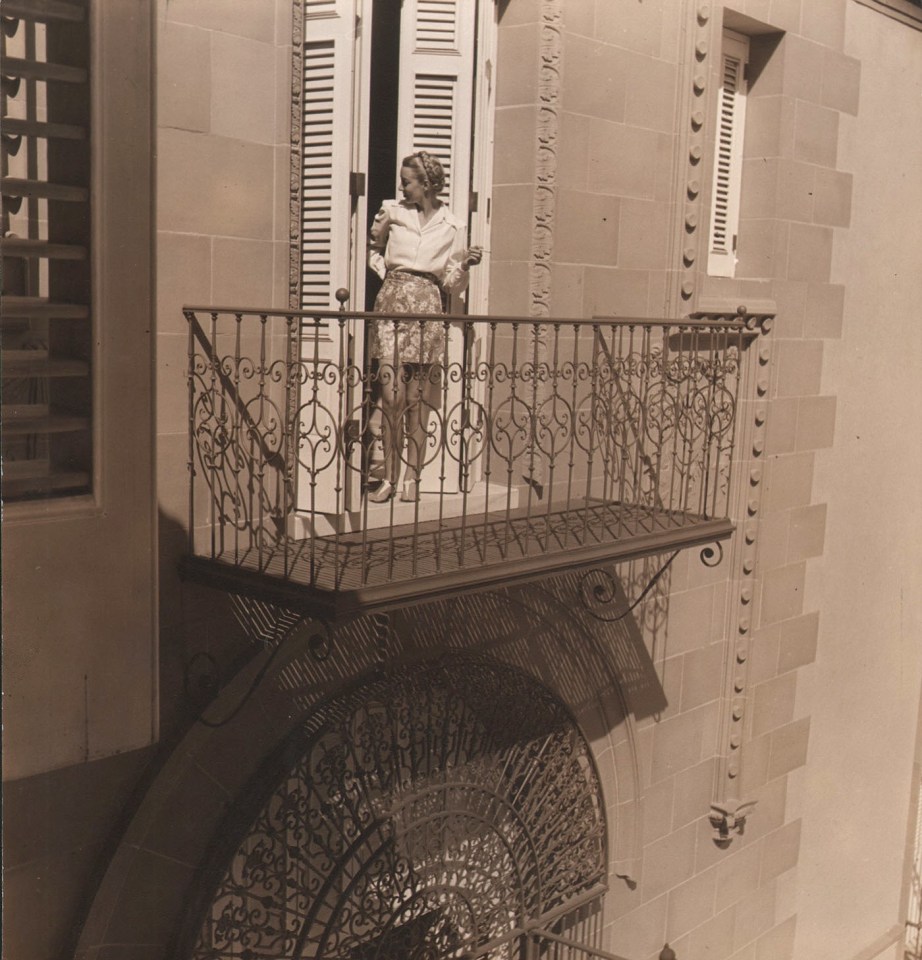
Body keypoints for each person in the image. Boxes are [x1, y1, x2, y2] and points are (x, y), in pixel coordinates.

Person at [366, 151, 482, 503]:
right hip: (392, 305)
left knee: (416, 400)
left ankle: (411, 480)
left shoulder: (453, 225)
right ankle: (388, 476)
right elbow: (372, 247)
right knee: (391, 398)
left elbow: (451, 283)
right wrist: (388, 272)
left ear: (427, 184)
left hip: (428, 308)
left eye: (407, 181)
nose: (401, 187)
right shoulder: (393, 211)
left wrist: (464, 266)